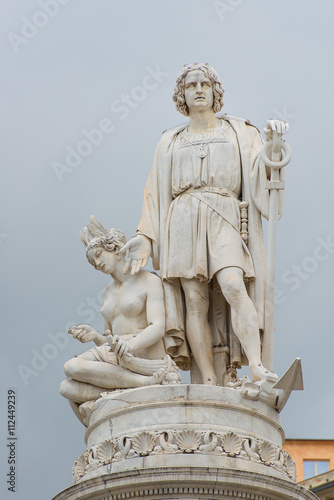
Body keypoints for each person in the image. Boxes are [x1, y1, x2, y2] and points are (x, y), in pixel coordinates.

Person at [119, 63, 289, 385]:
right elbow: (154, 190)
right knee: (194, 303)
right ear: (182, 95)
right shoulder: (170, 141)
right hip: (182, 219)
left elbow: (263, 171)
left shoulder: (240, 132)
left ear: (215, 92)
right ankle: (208, 379)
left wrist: (274, 145)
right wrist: (146, 236)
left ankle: (256, 365)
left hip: (224, 212)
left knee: (234, 286)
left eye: (205, 84)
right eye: (191, 85)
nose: (198, 89)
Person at [60, 216, 180, 418]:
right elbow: (110, 338)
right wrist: (96, 336)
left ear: (115, 249)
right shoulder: (106, 294)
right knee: (66, 388)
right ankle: (136, 387)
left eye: (98, 255)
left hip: (142, 351)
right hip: (116, 353)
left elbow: (158, 326)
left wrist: (130, 346)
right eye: (92, 261)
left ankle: (142, 382)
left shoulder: (148, 280)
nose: (96, 263)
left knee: (71, 366)